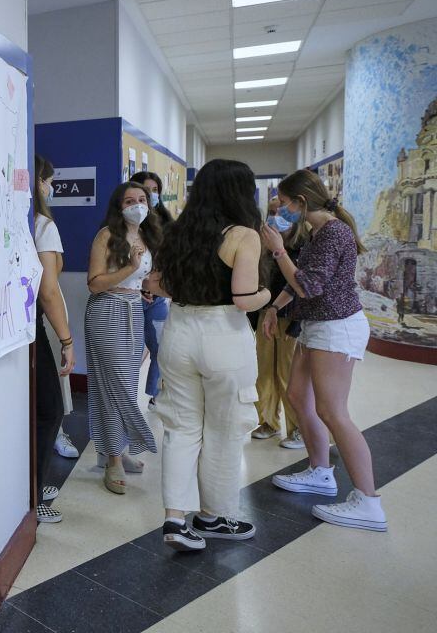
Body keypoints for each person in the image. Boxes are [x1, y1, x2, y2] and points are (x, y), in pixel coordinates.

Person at [146, 159, 268, 551]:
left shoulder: (178, 231)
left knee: (181, 427)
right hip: (224, 336)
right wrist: (269, 296)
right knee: (224, 429)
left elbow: (159, 285)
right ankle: (213, 516)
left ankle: (175, 520)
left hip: (179, 331)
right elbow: (244, 299)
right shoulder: (243, 235)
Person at [260, 169, 386, 532]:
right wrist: (273, 307)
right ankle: (320, 471)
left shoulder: (334, 233)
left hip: (336, 327)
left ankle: (368, 501)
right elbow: (297, 280)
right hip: (317, 326)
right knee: (299, 395)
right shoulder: (319, 231)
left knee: (333, 411)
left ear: (301, 202)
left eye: (283, 204)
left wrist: (279, 250)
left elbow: (309, 286)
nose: (279, 211)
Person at [85, 181, 161, 495]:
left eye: (142, 199)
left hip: (133, 309)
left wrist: (142, 287)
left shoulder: (148, 235)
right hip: (107, 312)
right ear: (119, 206)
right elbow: (95, 283)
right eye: (130, 200)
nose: (137, 205)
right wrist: (129, 267)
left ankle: (117, 449)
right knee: (113, 387)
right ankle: (113, 458)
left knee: (127, 386)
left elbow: (144, 277)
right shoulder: (106, 236)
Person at [33, 155, 76, 523]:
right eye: (48, 180)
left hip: (15, 327)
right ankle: (34, 493)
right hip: (33, 328)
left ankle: (33, 480)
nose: (50, 187)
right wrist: (66, 340)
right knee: (50, 410)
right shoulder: (43, 224)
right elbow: (48, 291)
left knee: (32, 410)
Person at [252, 199, 306, 448]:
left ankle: (297, 429)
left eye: (281, 212)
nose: (276, 217)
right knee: (264, 373)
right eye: (271, 212)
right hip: (266, 314)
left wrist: (298, 321)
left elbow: (301, 285)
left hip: (292, 316)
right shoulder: (262, 246)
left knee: (288, 376)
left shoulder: (302, 245)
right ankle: (268, 422)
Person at [130, 171, 173, 407]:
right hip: (130, 299)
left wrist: (155, 287)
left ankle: (157, 394)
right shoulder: (123, 226)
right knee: (131, 354)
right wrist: (140, 286)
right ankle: (127, 402)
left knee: (162, 347)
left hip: (156, 298)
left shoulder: (167, 224)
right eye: (146, 190)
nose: (150, 195)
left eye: (155, 190)